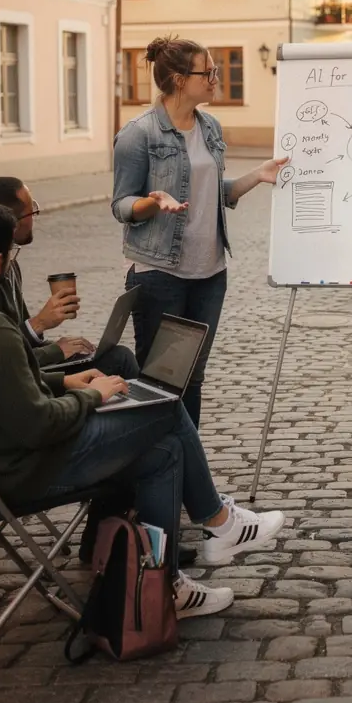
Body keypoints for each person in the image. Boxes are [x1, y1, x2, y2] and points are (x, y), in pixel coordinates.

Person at [0, 200, 287, 619]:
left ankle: (166, 585)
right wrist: (93, 396)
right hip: (13, 471)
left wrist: (65, 380)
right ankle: (218, 521)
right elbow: (41, 425)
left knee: (164, 454)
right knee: (165, 408)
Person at [112, 37, 287, 428]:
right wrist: (153, 202)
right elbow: (121, 205)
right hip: (160, 275)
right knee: (161, 381)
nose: (215, 78)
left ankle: (188, 482)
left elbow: (210, 192)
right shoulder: (139, 135)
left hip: (209, 274)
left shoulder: (210, 126)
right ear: (178, 79)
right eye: (207, 71)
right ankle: (159, 478)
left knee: (192, 379)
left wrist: (258, 175)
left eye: (215, 71)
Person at [0, 177, 139, 379]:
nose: (35, 216)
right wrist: (40, 326)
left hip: (28, 371)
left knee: (114, 356)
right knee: (121, 360)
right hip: (19, 380)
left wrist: (58, 344)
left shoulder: (11, 264)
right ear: (10, 221)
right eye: (31, 211)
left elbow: (22, 341)